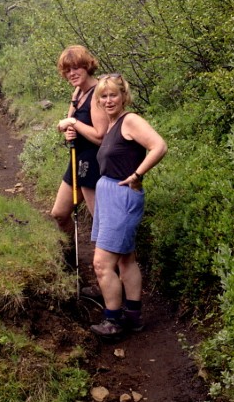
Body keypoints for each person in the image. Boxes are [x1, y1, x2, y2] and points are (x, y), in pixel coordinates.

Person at [89, 73, 167, 337]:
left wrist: (137, 174)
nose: (108, 100)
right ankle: (133, 316)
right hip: (109, 194)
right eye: (103, 96)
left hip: (122, 196)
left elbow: (159, 146)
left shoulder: (130, 120)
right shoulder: (112, 125)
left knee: (102, 264)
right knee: (126, 259)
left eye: (113, 94)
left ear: (124, 96)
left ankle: (113, 321)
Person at [52, 46, 109, 266]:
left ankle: (106, 268)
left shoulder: (97, 94)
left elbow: (100, 136)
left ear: (87, 66)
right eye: (67, 70)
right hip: (77, 158)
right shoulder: (77, 93)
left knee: (99, 221)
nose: (72, 73)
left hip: (93, 162)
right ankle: (70, 259)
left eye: (76, 68)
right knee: (59, 213)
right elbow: (69, 124)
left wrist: (73, 123)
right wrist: (69, 130)